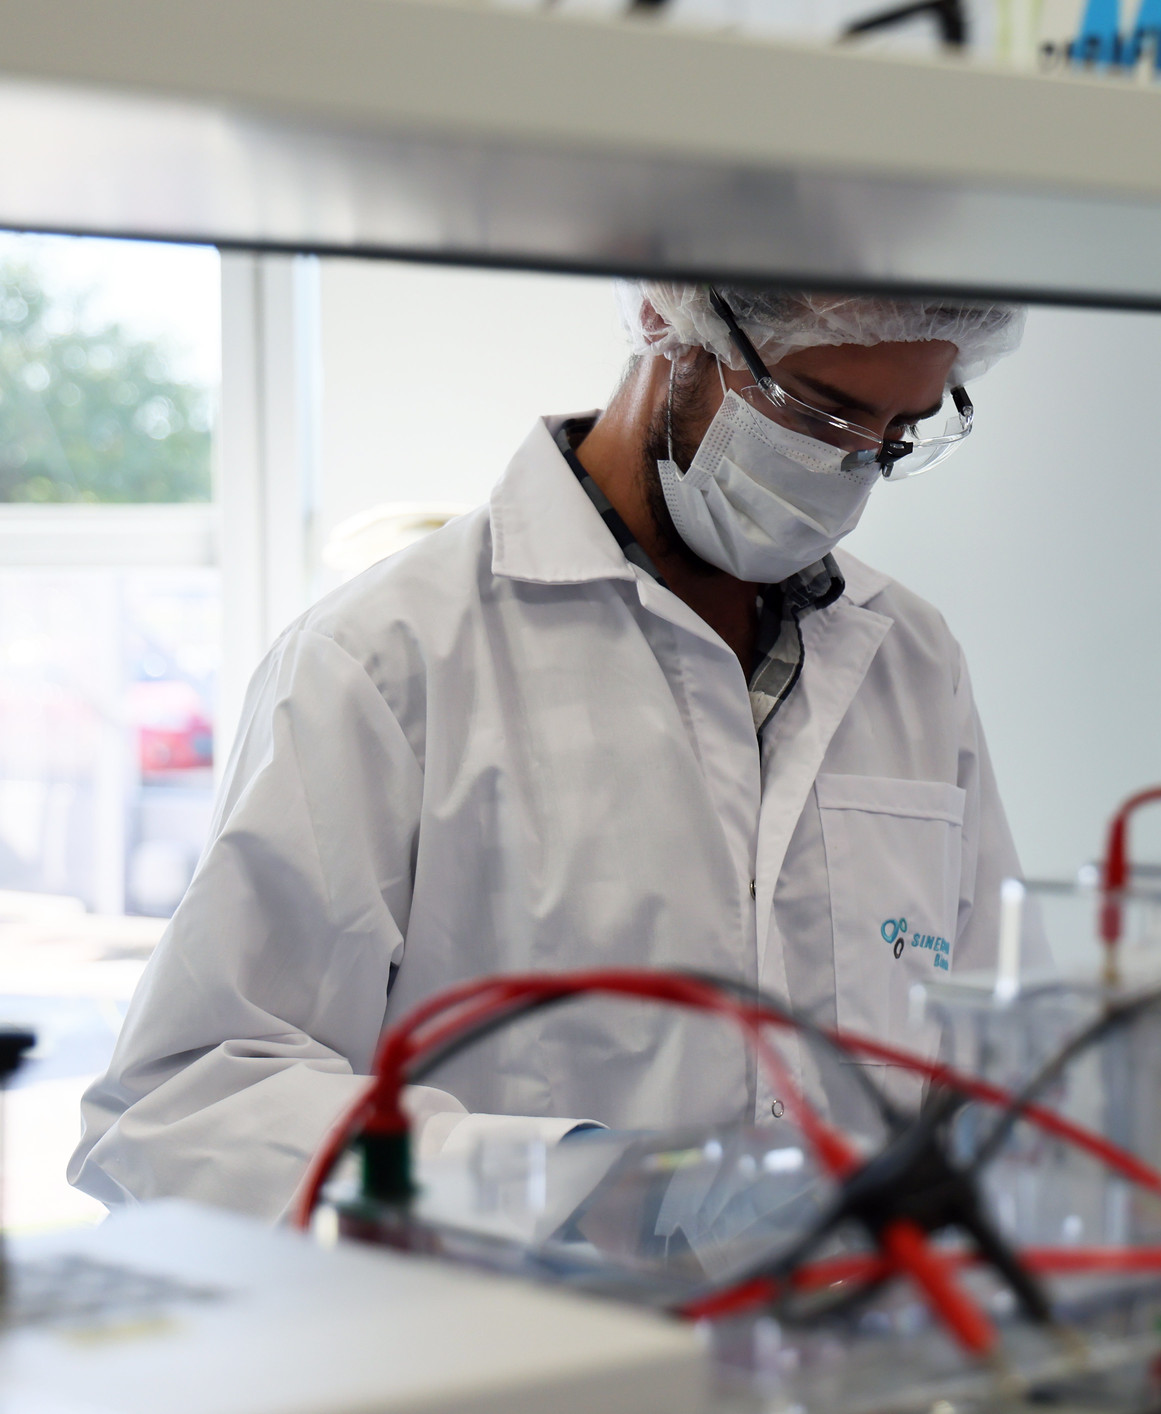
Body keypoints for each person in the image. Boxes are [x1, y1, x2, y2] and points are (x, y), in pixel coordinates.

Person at [71, 283, 1034, 1223]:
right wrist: (562, 1185)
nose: (854, 466)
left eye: (897, 433)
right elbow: (187, 1106)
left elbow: (998, 1045)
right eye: (819, 413)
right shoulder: (387, 660)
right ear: (672, 312)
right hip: (525, 1364)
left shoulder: (911, 659)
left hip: (845, 1360)